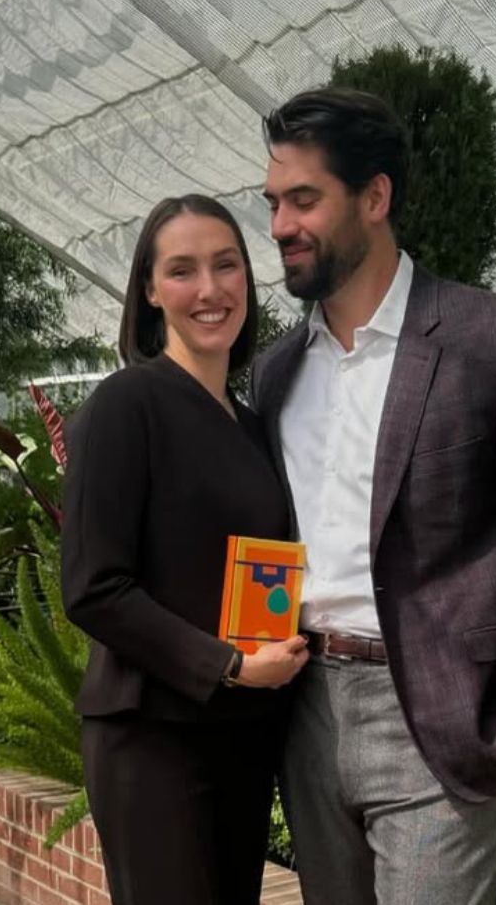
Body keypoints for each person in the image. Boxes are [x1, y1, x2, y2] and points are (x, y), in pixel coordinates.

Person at [252, 87, 496, 905]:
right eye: (272, 203)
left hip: (443, 721)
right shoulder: (276, 371)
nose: (279, 226)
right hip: (306, 712)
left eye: (304, 199)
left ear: (374, 197)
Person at [60, 194, 310, 905]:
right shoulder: (125, 406)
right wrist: (229, 664)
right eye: (182, 270)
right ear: (149, 289)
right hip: (152, 738)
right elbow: (93, 587)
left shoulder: (255, 426)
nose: (209, 289)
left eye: (226, 266)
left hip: (242, 736)